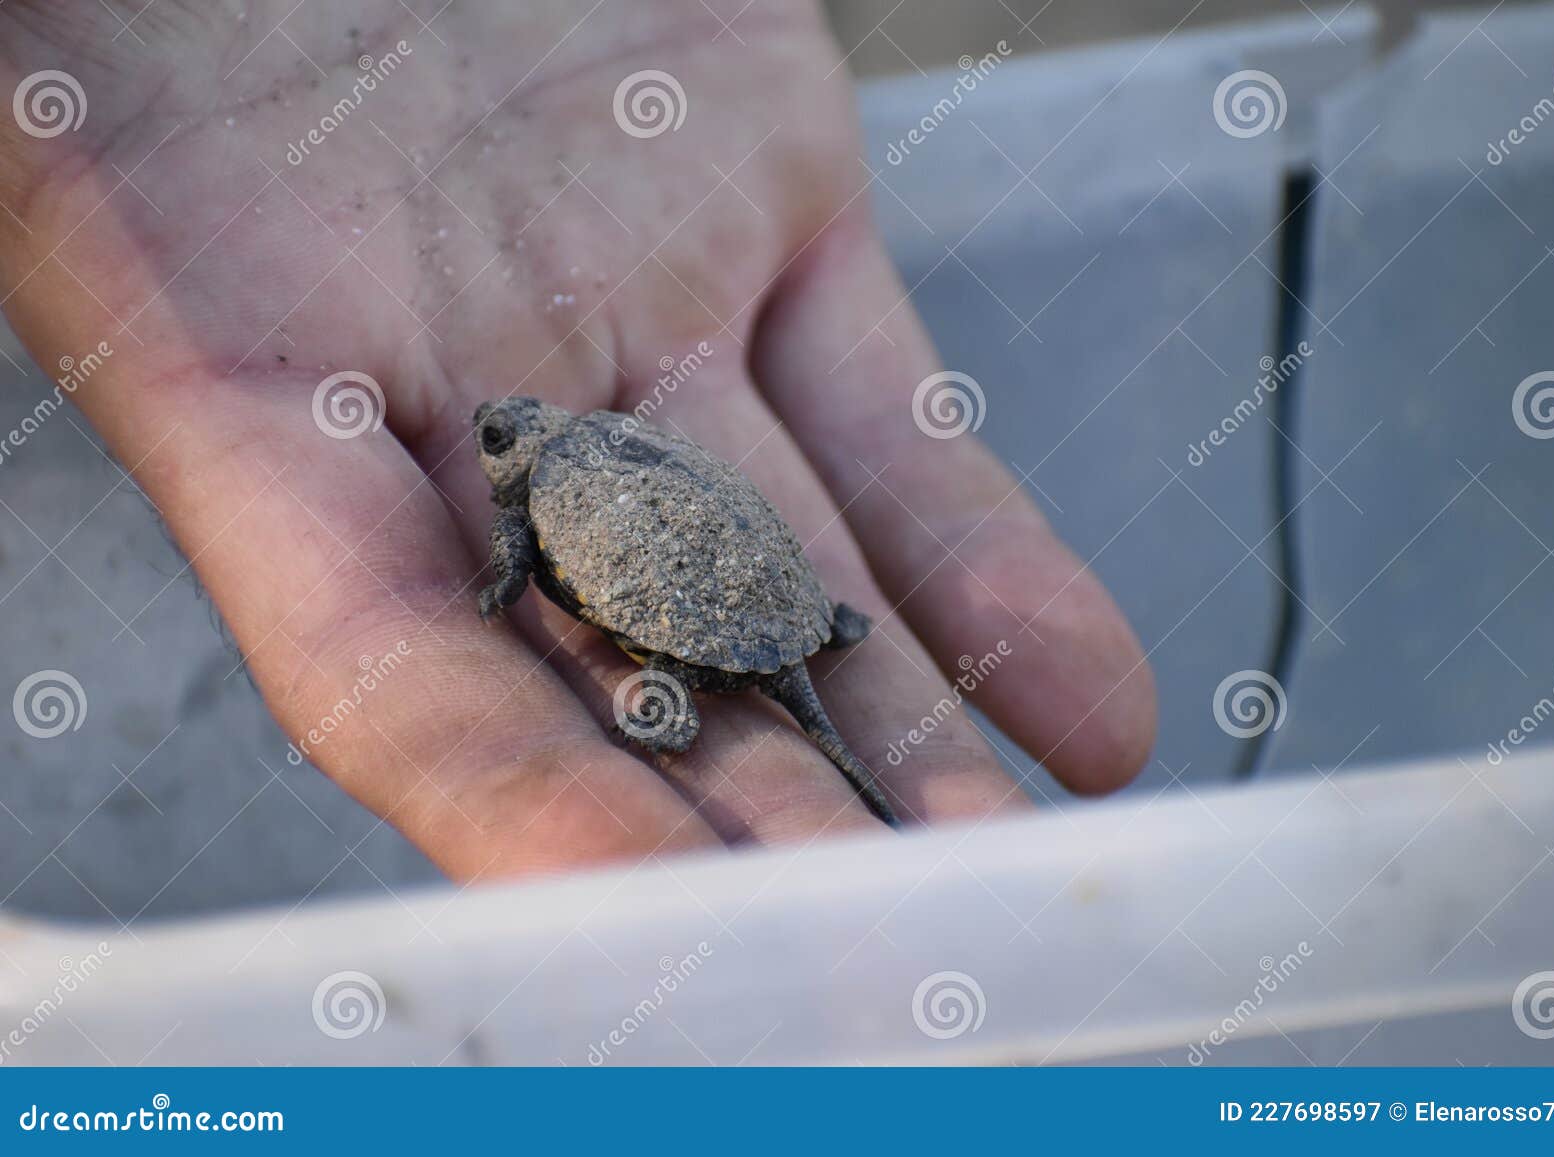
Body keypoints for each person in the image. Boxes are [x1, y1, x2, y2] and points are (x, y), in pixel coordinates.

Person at [0, 0, 1154, 879]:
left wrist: (496, 594)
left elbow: (510, 578)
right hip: (781, 602)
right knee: (792, 711)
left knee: (707, 726)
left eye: (504, 435)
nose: (499, 438)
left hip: (699, 621)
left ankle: (686, 693)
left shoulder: (526, 504)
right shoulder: (593, 442)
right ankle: (819, 631)